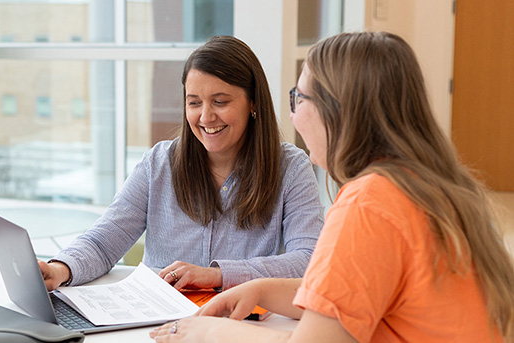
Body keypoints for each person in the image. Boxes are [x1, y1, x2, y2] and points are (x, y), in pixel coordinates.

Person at [150, 31, 514, 343]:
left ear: (340, 112)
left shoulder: (371, 203)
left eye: (299, 98)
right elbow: (348, 293)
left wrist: (206, 332)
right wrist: (259, 288)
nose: (293, 116)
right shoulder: (425, 185)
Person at [38, 35, 324, 292]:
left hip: (236, 324)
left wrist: (217, 275)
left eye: (220, 101)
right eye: (194, 102)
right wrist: (58, 270)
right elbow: (104, 242)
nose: (206, 117)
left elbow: (307, 258)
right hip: (154, 319)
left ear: (252, 103)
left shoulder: (291, 168)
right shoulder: (159, 163)